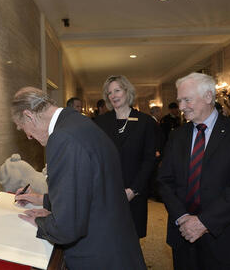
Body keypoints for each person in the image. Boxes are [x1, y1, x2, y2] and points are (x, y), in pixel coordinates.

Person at [11, 87, 146, 270]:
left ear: (29, 116)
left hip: (99, 255)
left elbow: (67, 229)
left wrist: (41, 222)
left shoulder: (62, 138)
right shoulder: (77, 121)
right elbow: (90, 189)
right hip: (116, 243)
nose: (28, 136)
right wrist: (44, 200)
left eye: (23, 128)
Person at [157, 72, 230, 270]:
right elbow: (164, 181)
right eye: (179, 101)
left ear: (208, 97)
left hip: (225, 237)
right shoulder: (177, 136)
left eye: (187, 100)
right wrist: (183, 218)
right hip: (183, 236)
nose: (181, 107)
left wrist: (204, 222)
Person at [95, 75, 156, 238]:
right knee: (108, 237)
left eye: (117, 90)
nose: (113, 95)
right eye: (109, 93)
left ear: (127, 91)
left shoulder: (145, 122)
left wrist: (133, 190)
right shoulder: (100, 122)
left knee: (131, 239)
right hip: (106, 192)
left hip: (134, 192)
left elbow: (150, 160)